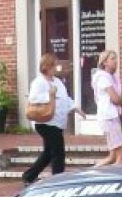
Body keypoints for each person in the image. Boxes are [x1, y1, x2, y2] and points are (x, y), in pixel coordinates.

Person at [22, 53, 85, 185]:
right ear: (47, 67)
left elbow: (65, 98)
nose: (56, 68)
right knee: (58, 152)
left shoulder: (57, 82)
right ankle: (58, 180)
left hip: (57, 123)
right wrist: (49, 95)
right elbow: (33, 98)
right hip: (45, 123)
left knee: (49, 152)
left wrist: (76, 108)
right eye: (53, 66)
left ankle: (29, 175)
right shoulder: (38, 82)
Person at [91, 50, 122, 167]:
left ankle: (94, 171)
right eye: (112, 59)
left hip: (111, 116)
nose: (116, 61)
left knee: (113, 155)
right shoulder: (103, 77)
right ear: (105, 62)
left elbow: (119, 97)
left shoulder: (113, 77)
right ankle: (116, 178)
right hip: (108, 117)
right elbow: (115, 98)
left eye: (116, 58)